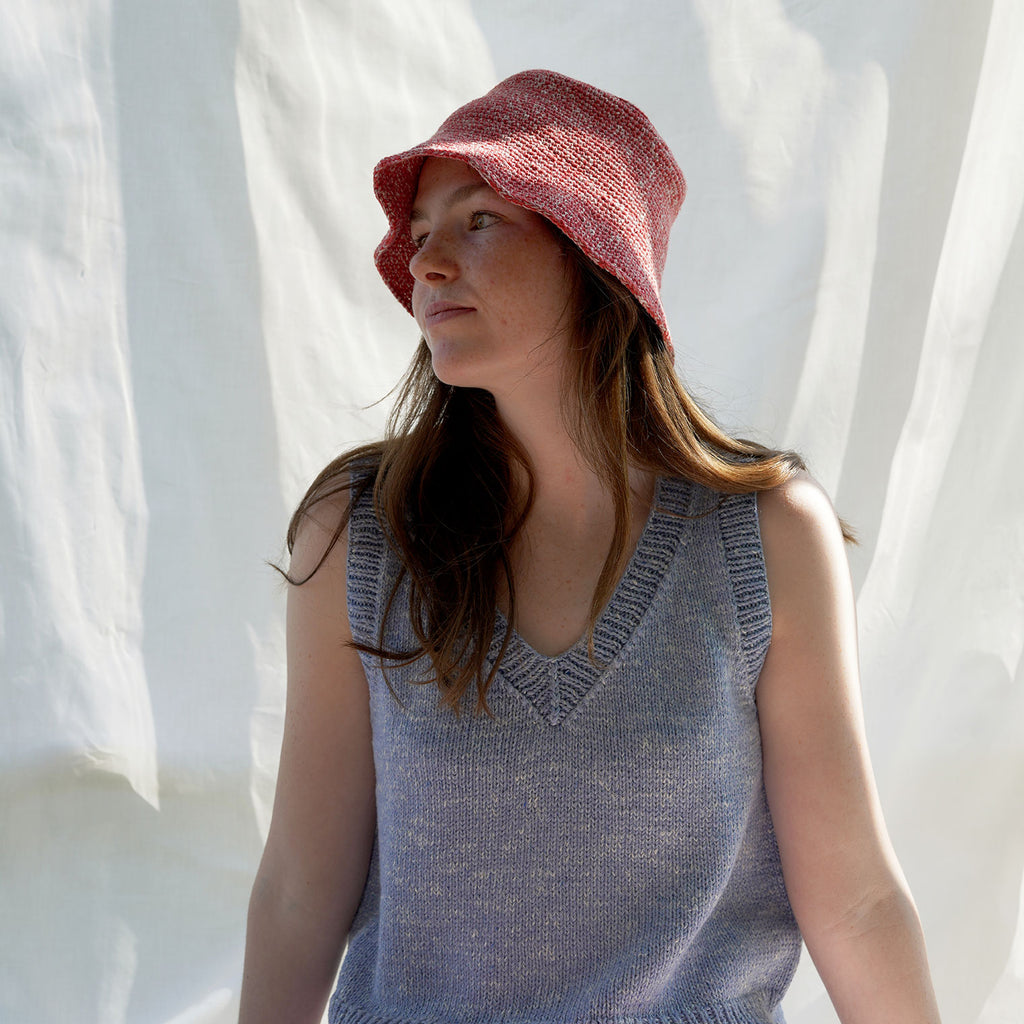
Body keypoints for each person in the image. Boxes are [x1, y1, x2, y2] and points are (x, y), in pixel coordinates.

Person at [239, 70, 941, 1024]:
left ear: (594, 253)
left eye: (480, 219)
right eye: (421, 232)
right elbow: (298, 891)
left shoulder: (766, 536)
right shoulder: (362, 532)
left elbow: (855, 902)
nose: (427, 263)